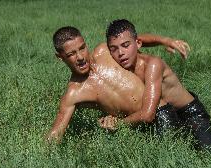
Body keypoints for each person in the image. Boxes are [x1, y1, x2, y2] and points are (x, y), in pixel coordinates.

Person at [46, 26, 189, 142]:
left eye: (82, 48)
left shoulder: (104, 51)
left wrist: (166, 41)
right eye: (71, 54)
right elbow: (55, 134)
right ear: (60, 57)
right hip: (135, 127)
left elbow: (131, 40)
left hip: (163, 114)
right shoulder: (73, 94)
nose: (81, 57)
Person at [104, 19, 211, 150]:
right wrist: (164, 41)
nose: (120, 53)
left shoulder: (153, 65)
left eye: (125, 45)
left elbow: (147, 115)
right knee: (169, 149)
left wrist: (119, 123)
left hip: (189, 113)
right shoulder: (121, 63)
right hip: (163, 113)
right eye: (114, 49)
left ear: (138, 44)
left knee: (208, 152)